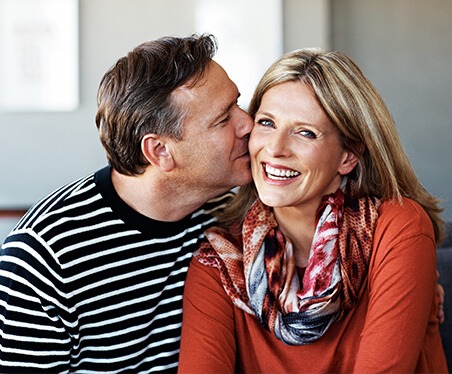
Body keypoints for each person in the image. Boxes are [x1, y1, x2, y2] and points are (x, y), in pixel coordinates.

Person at [178, 48, 448, 373]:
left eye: (306, 132)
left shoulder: (398, 228)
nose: (276, 149)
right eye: (266, 123)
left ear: (348, 156)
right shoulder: (220, 262)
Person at [0, 34, 253, 372]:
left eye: (238, 103)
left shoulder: (228, 217)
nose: (248, 123)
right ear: (160, 151)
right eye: (224, 118)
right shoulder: (43, 259)